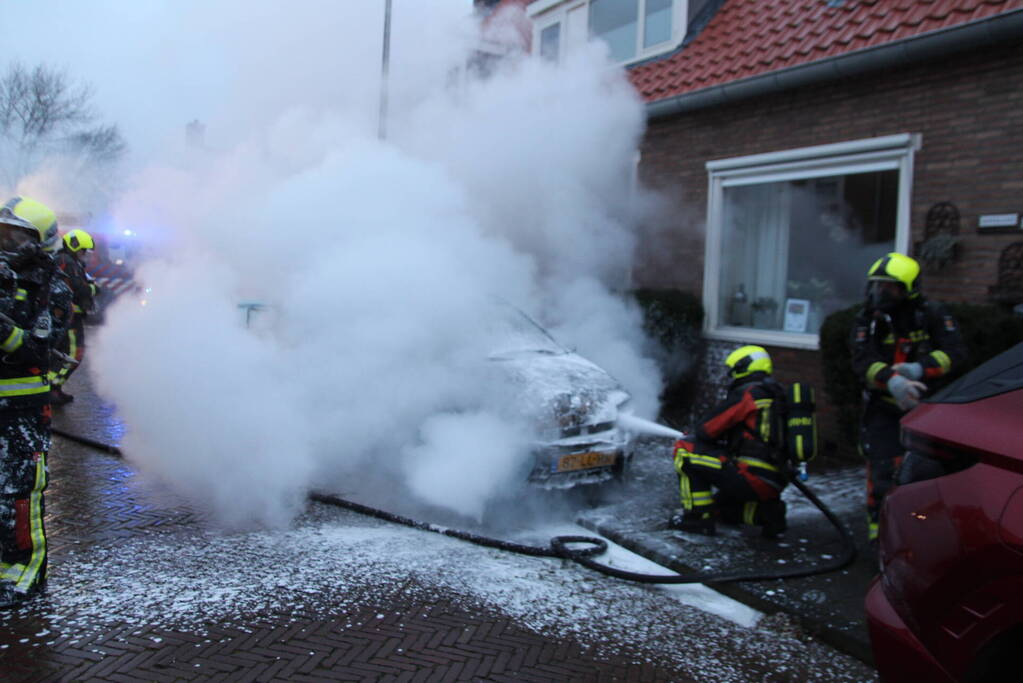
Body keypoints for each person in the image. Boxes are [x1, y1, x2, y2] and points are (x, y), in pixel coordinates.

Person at [850, 252, 966, 544]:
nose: (880, 293)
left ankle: (920, 531)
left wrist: (920, 369)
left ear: (908, 287)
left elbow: (955, 354)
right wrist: (892, 381)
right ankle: (879, 533)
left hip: (926, 406)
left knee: (925, 472)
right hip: (883, 406)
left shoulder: (932, 315)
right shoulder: (868, 319)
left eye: (889, 286)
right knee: (881, 467)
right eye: (877, 286)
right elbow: (862, 360)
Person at [0, 196, 72, 609]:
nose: (6, 240)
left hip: (21, 412)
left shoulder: (50, 287)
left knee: (19, 494)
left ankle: (23, 577)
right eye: (3, 232)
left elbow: (37, 350)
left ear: (37, 241)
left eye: (15, 234)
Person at [669, 345, 790, 539]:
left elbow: (707, 430)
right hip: (774, 480)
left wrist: (692, 435)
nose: (732, 376)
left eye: (734, 370)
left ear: (744, 367)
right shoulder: (776, 394)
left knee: (685, 449)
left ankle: (697, 520)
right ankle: (768, 515)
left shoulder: (749, 394)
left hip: (750, 476)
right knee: (718, 508)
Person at [51, 229, 99, 405]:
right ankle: (51, 387)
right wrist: (95, 289)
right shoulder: (67, 262)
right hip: (68, 316)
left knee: (64, 353)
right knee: (74, 354)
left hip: (69, 315)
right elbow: (81, 288)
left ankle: (53, 387)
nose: (84, 255)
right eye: (82, 250)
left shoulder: (68, 261)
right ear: (74, 246)